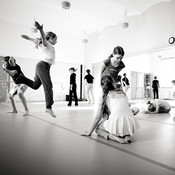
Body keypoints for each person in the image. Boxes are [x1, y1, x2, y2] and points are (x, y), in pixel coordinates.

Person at [9, 21, 57, 118]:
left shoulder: (46, 45)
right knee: (48, 85)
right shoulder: (46, 43)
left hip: (42, 66)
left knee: (35, 86)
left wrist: (28, 38)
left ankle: (20, 77)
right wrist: (41, 30)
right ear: (50, 38)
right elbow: (43, 38)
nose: (56, 41)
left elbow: (34, 40)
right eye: (55, 39)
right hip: (43, 66)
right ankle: (48, 107)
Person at [81, 75, 140, 144]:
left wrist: (89, 132)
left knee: (97, 128)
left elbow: (97, 117)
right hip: (130, 124)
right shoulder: (122, 93)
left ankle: (116, 138)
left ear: (102, 86)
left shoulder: (104, 95)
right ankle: (127, 135)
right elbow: (127, 106)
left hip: (117, 122)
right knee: (122, 121)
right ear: (113, 83)